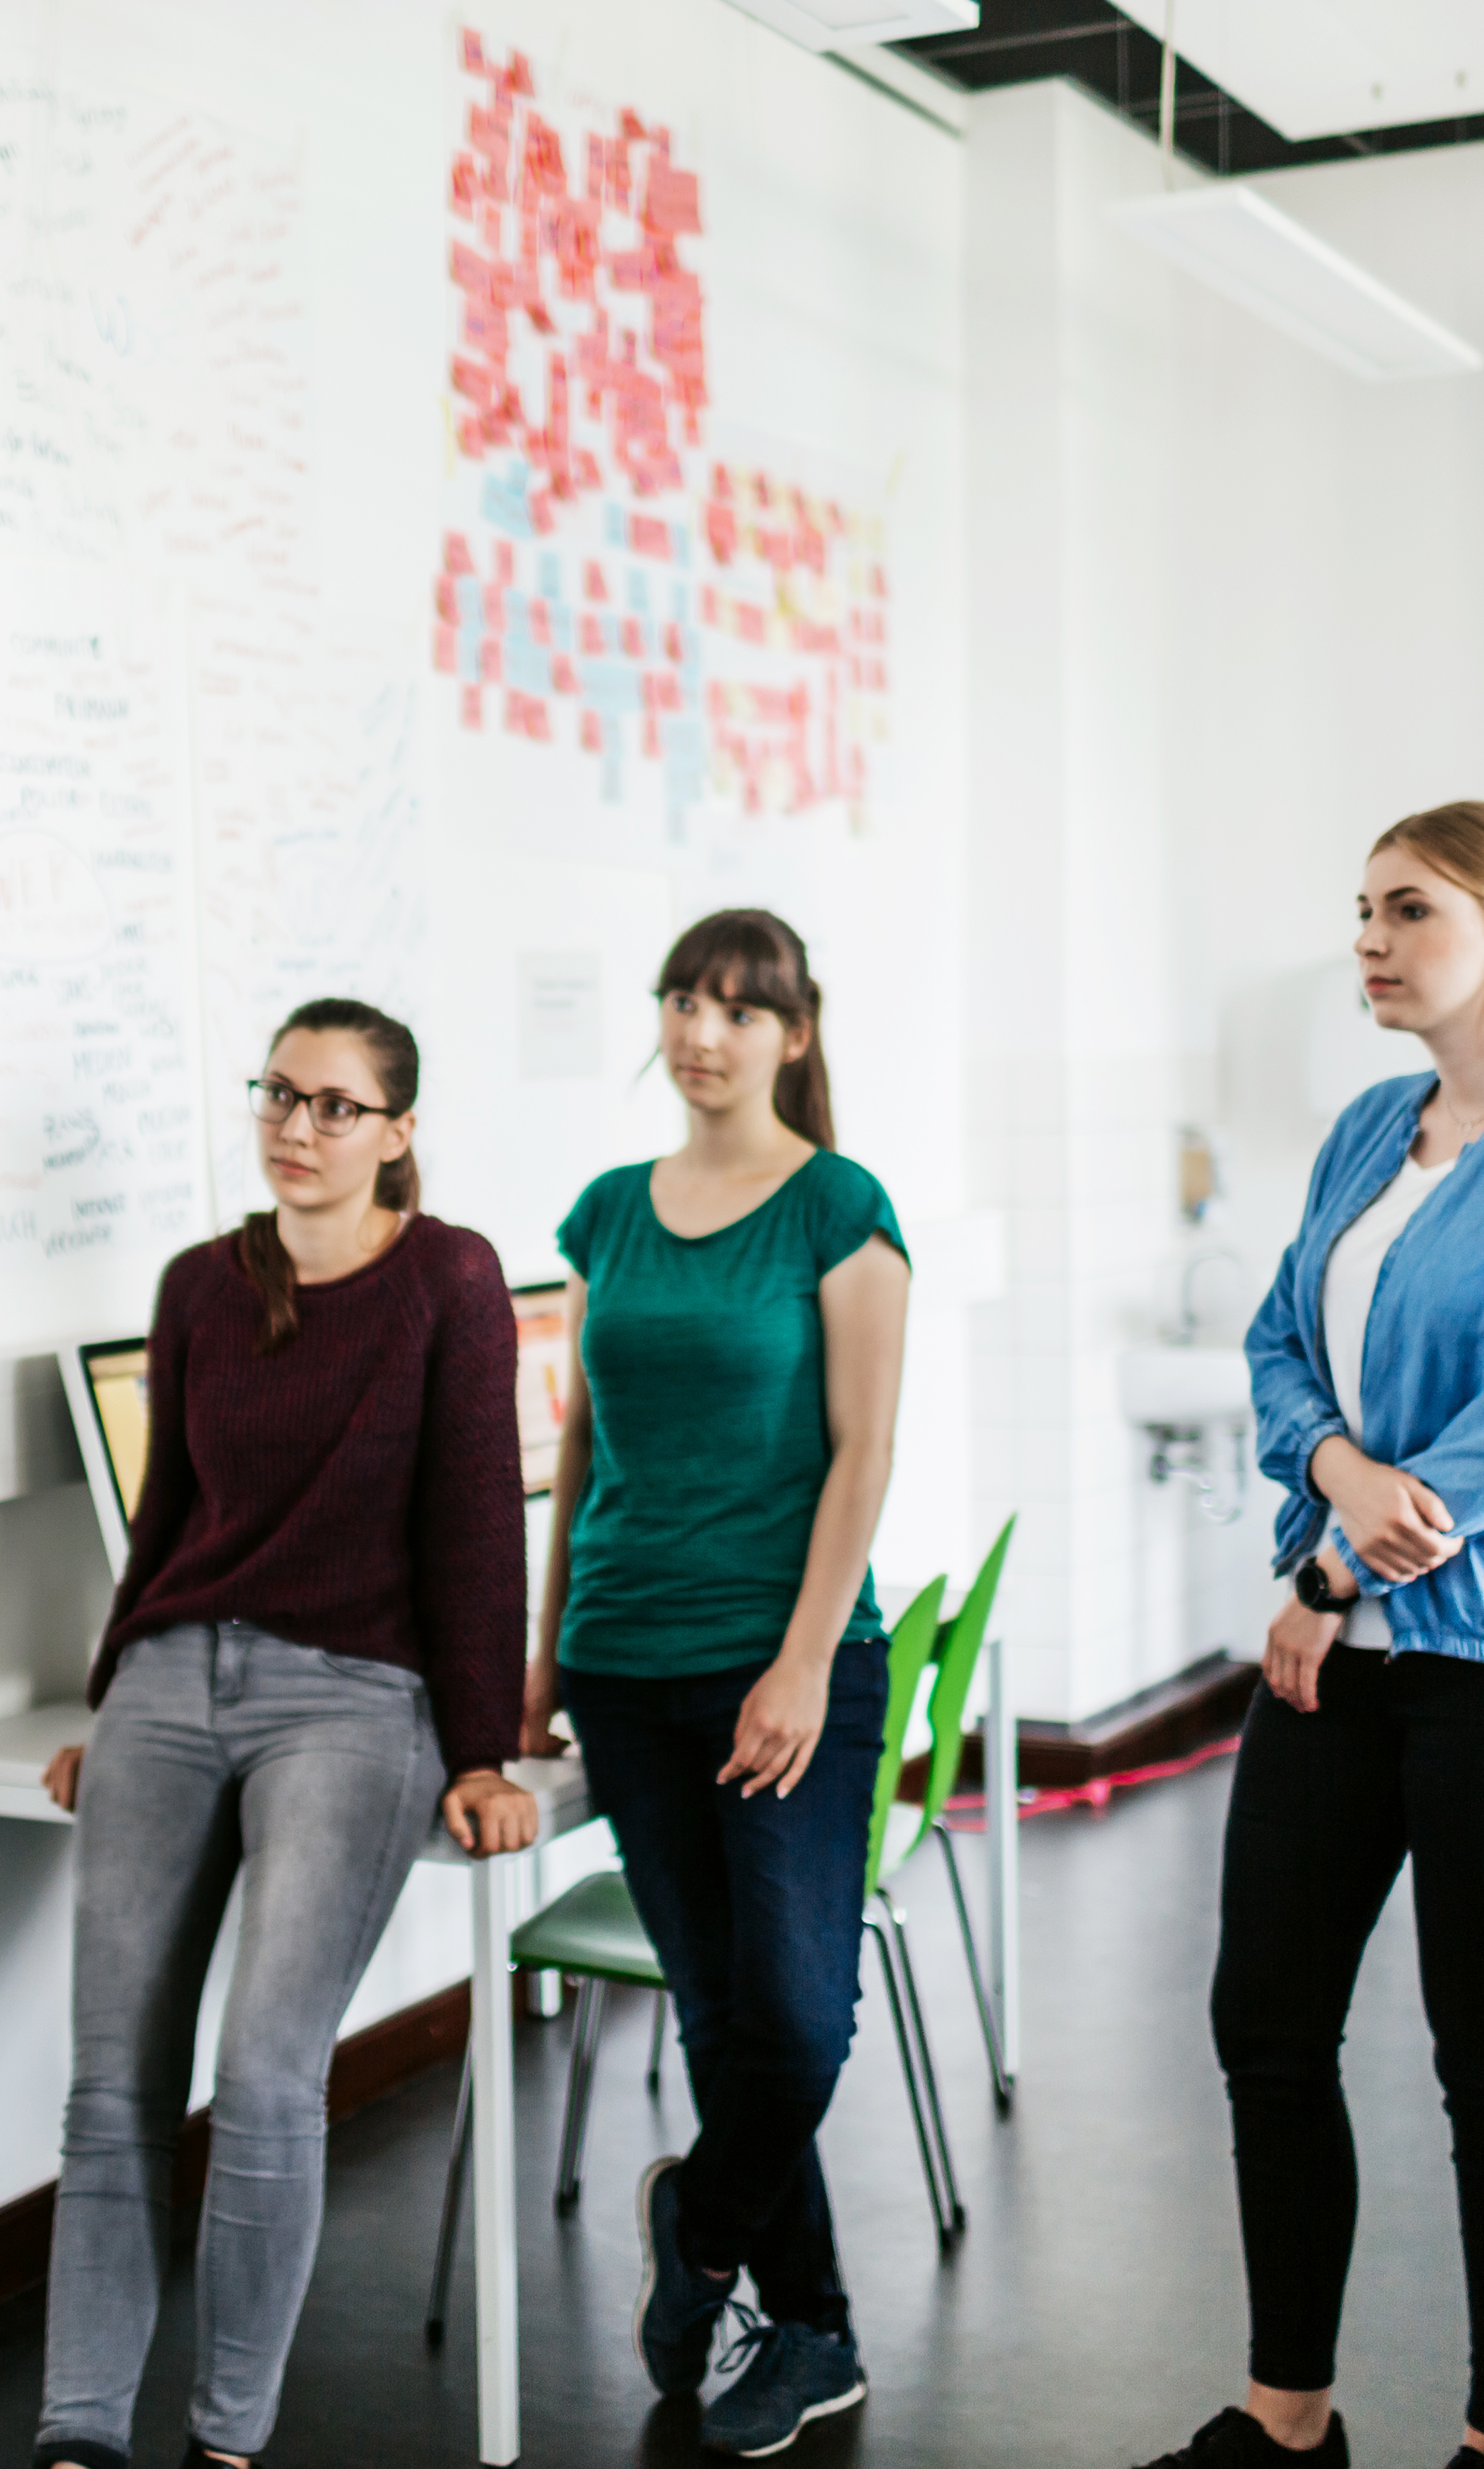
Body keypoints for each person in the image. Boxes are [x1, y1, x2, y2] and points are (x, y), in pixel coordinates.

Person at [1148, 806, 1484, 2469]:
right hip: (1331, 1655)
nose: (1366, 937)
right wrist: (1333, 1473)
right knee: (1264, 2025)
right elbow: (1281, 1336)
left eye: (1404, 909)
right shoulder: (1368, 1126)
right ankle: (1285, 2416)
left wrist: (1334, 1566)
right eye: (1357, 908)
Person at [30, 998, 536, 2469]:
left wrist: (481, 1747)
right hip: (173, 1686)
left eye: (331, 1105)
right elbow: (168, 1523)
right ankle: (78, 2432)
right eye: (277, 1095)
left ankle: (225, 2437)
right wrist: (107, 1698)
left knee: (261, 2070)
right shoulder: (200, 1285)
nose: (294, 1127)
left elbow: (470, 1523)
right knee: (112, 2079)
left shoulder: (448, 1279)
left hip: (352, 1696)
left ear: (397, 1133)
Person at [522, 907, 909, 2461]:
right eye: (681, 1000)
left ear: (792, 1034)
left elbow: (862, 1448)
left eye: (738, 1008)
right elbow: (574, 1449)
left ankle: (693, 2226)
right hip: (625, 1662)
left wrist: (803, 1660)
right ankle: (810, 2329)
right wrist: (538, 1659)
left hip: (786, 1661)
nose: (701, 1031)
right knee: (717, 2011)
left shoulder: (838, 1205)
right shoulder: (605, 1213)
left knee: (799, 2019)